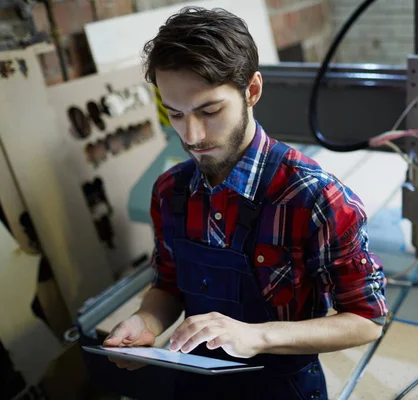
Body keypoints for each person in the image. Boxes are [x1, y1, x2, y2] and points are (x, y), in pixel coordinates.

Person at [103, 6, 388, 399]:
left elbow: (367, 319)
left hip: (283, 389)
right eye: (175, 114)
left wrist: (257, 336)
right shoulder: (170, 191)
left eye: (209, 110)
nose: (193, 135)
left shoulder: (314, 197)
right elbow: (168, 287)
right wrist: (146, 322)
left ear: (251, 90)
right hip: (196, 386)